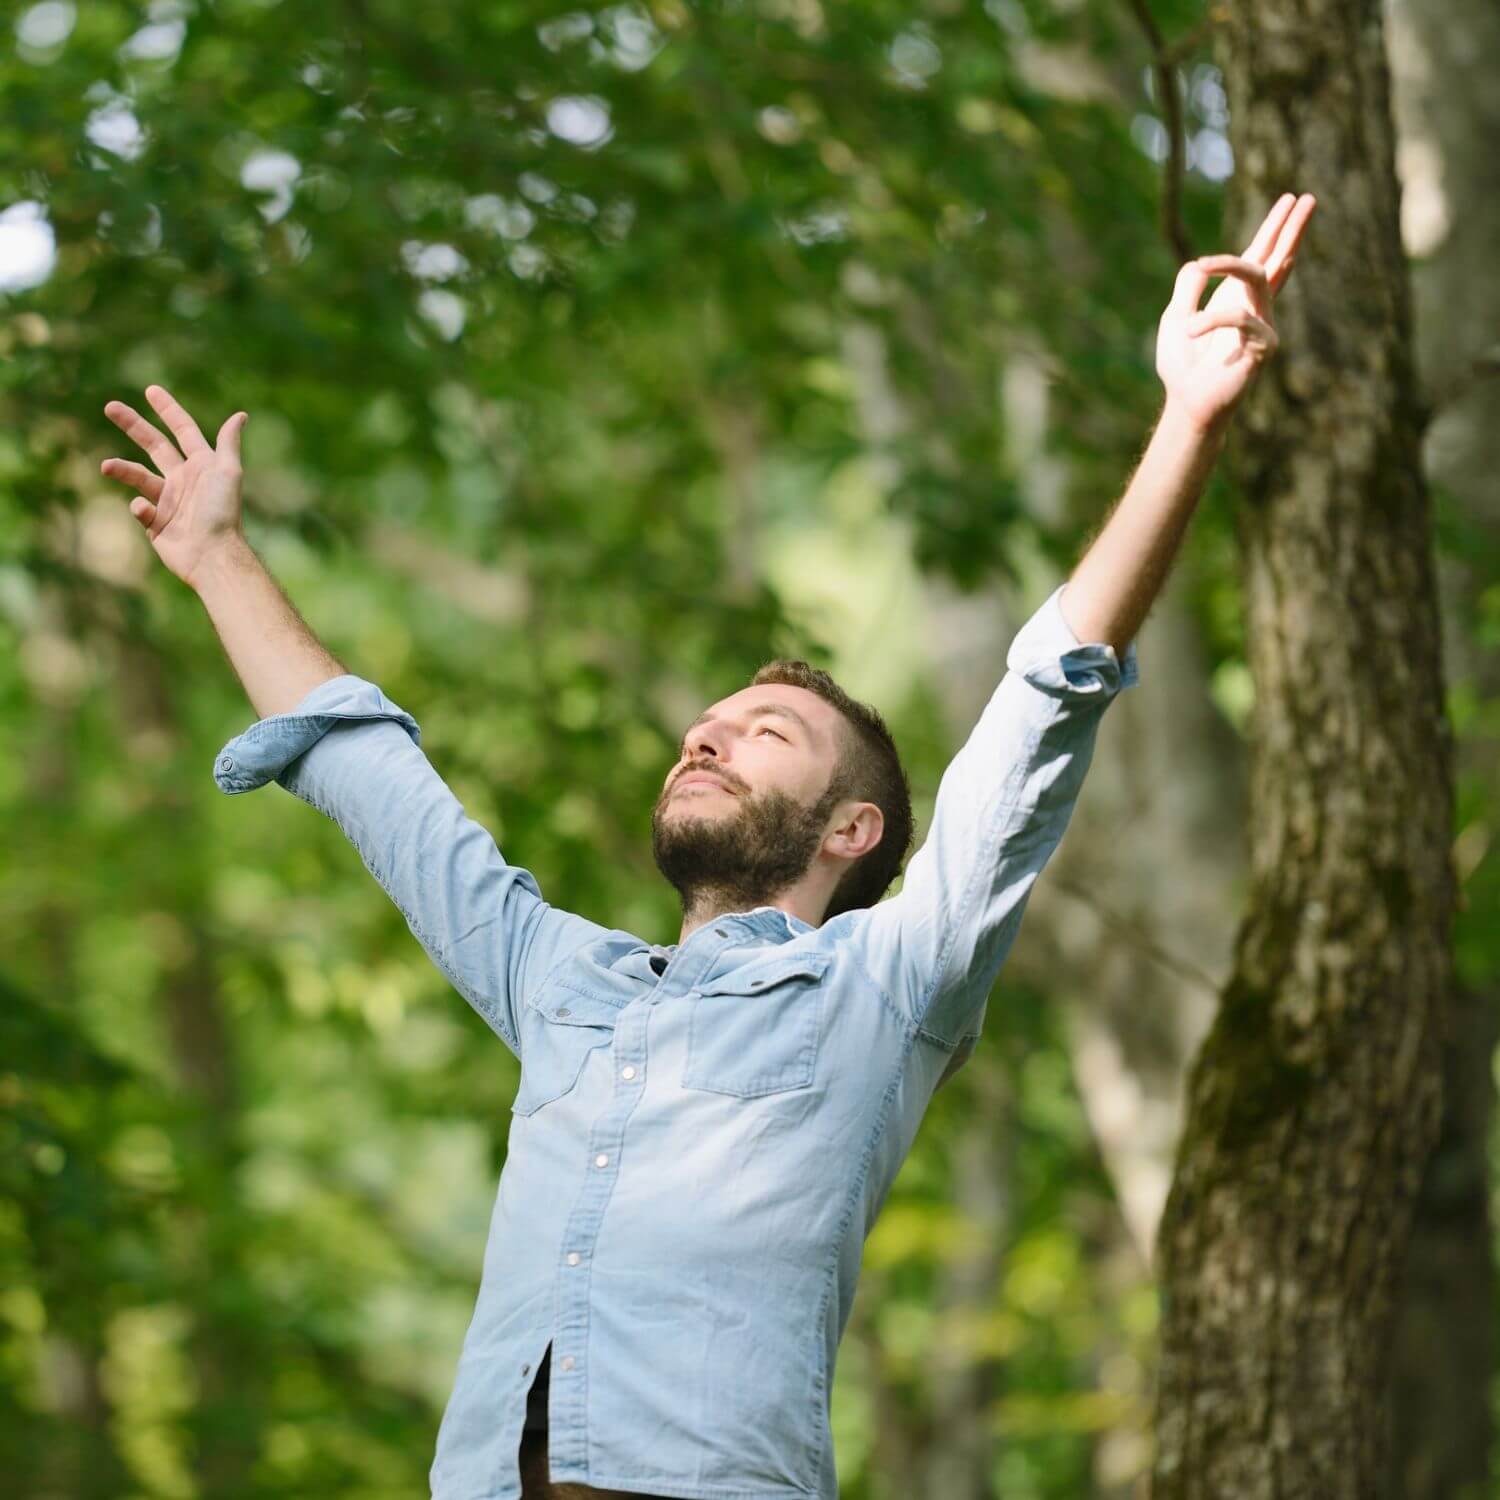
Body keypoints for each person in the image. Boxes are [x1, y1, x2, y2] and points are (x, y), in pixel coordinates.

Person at [100, 193, 1315, 1500]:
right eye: (708, 721)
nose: (707, 734)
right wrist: (218, 553)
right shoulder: (561, 981)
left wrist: (1186, 420)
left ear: (853, 828)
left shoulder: (888, 987)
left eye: (767, 729)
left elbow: (1045, 704)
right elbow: (373, 776)